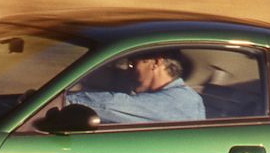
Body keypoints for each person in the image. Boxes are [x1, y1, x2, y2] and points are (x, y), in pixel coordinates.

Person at [66, 50, 205, 124]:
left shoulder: (178, 101)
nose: (128, 71)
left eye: (132, 64)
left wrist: (63, 101)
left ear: (156, 62)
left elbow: (111, 105)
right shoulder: (187, 97)